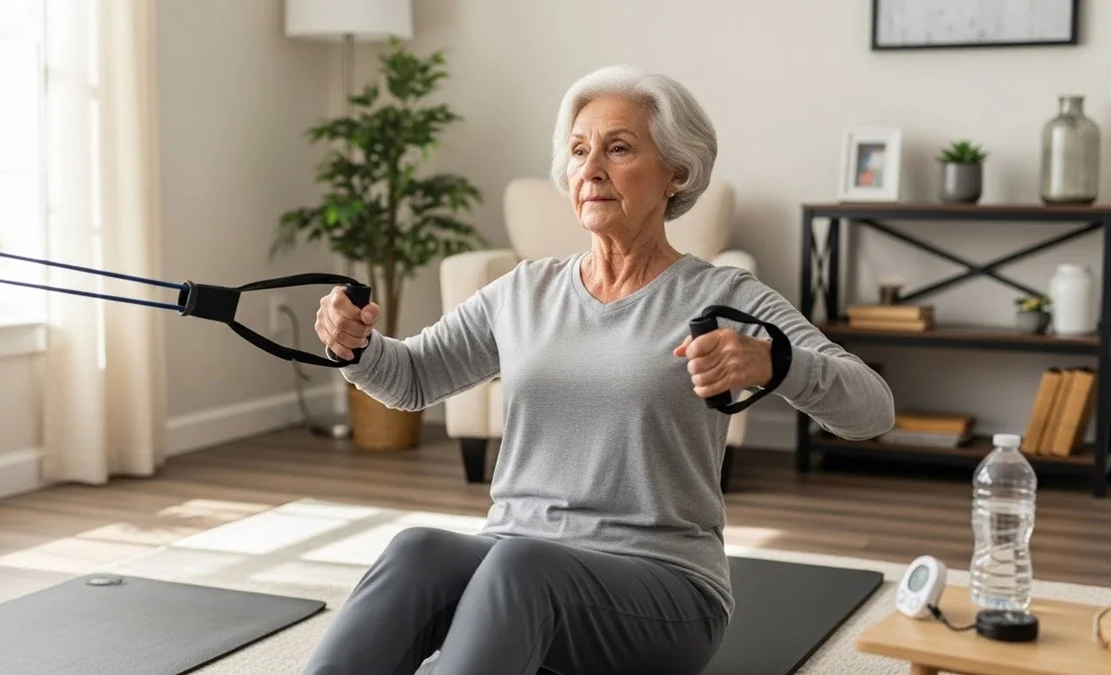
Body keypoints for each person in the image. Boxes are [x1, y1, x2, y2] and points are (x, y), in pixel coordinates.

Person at [303, 65, 895, 675]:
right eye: (580, 151)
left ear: (676, 172)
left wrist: (778, 363)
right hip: (516, 566)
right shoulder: (526, 289)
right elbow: (414, 378)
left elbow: (873, 410)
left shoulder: (724, 297)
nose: (590, 168)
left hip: (663, 589)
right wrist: (357, 346)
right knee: (417, 550)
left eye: (617, 148)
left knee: (520, 565)